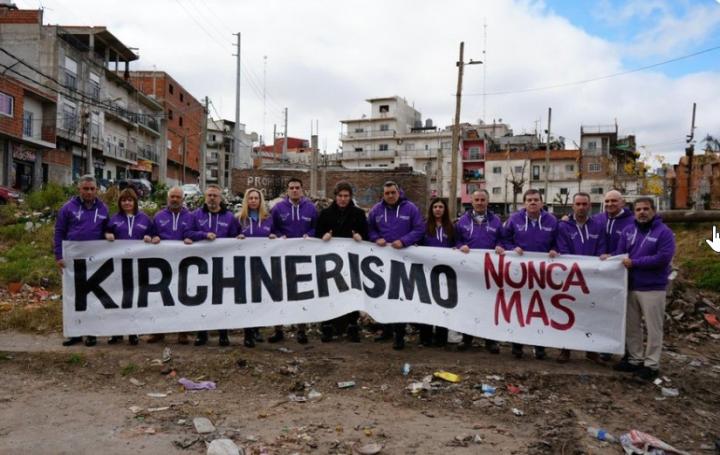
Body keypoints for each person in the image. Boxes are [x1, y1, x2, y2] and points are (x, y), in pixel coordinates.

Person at [613, 197, 675, 381]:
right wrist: (609, 258)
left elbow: (663, 258)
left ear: (653, 211)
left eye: (646, 209)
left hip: (652, 287)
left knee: (653, 328)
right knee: (632, 326)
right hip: (630, 285)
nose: (642, 212)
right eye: (638, 209)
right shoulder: (628, 230)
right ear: (634, 212)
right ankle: (635, 358)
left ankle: (651, 364)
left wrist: (635, 263)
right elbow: (620, 254)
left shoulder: (664, 232)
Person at [501, 189, 558, 360]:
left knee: (540, 310)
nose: (533, 202)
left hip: (543, 273)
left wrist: (555, 249)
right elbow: (504, 239)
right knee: (519, 308)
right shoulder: (514, 219)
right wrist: (512, 248)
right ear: (524, 203)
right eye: (529, 200)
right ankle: (517, 345)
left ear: (542, 202)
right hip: (519, 272)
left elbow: (558, 241)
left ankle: (539, 346)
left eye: (536, 199)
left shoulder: (552, 220)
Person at [367, 181, 425, 350]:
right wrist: (376, 238)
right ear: (383, 194)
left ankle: (399, 335)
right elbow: (369, 229)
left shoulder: (410, 208)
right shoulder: (376, 210)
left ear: (399, 192)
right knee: (384, 295)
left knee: (399, 296)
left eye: (393, 192)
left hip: (404, 259)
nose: (390, 195)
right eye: (387, 193)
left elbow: (419, 229)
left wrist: (404, 241)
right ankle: (386, 330)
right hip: (383, 260)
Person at [54, 175, 109, 347]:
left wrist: (109, 234)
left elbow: (107, 229)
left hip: (95, 260)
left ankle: (91, 333)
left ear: (96, 190)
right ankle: (75, 333)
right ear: (79, 189)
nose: (89, 192)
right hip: (73, 260)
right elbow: (59, 232)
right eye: (86, 188)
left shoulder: (103, 208)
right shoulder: (68, 208)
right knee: (73, 297)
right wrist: (59, 256)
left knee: (93, 297)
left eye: (92, 189)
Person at [555, 192, 607, 363]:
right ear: (573, 206)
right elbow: (562, 249)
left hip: (591, 277)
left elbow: (601, 248)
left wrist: (595, 265)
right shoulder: (563, 226)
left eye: (584, 204)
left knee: (590, 313)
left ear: (590, 206)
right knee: (567, 312)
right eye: (578, 204)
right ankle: (565, 349)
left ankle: (591, 349)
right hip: (570, 277)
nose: (581, 207)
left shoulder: (598, 226)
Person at [186, 184, 240, 346]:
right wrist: (203, 235)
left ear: (220, 198)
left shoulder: (229, 217)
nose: (212, 198)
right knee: (202, 299)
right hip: (201, 265)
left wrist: (240, 239)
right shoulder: (195, 215)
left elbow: (236, 236)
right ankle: (202, 333)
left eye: (215, 196)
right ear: (205, 197)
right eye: (209, 195)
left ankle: (223, 333)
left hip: (222, 265)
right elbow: (187, 233)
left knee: (221, 299)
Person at [316, 181, 369, 343]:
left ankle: (352, 326)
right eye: (340, 196)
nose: (343, 199)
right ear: (335, 196)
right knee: (329, 292)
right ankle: (327, 325)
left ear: (350, 197)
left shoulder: (359, 214)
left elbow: (367, 235)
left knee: (352, 292)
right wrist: (323, 237)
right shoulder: (325, 214)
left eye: (346, 196)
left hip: (351, 261)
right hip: (330, 261)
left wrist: (360, 238)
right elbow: (316, 234)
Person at [268, 178, 318, 344]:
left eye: (297, 187)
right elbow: (272, 228)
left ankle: (301, 330)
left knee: (301, 293)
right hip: (282, 256)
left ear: (302, 190)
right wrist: (278, 236)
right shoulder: (278, 208)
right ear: (287, 191)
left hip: (304, 257)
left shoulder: (311, 208)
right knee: (279, 292)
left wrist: (309, 235)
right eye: (291, 188)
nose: (294, 190)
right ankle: (278, 329)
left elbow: (316, 227)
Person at [104, 188, 156, 346]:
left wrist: (150, 237)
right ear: (120, 202)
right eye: (124, 200)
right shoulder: (114, 219)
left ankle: (134, 331)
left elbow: (154, 234)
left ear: (135, 202)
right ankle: (117, 332)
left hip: (137, 265)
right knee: (117, 298)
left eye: (130, 200)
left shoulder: (144, 219)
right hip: (118, 266)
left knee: (134, 299)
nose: (127, 203)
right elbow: (104, 233)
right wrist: (106, 235)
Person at [455, 189, 504, 353]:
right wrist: (460, 246)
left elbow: (503, 239)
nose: (480, 203)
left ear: (488, 202)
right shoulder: (462, 221)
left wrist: (500, 246)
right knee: (468, 305)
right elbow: (456, 240)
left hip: (489, 271)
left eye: (483, 200)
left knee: (489, 305)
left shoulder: (496, 221)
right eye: (477, 200)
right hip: (468, 271)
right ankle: (466, 338)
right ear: (472, 202)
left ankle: (490, 340)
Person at [146, 186, 195, 345]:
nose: (175, 199)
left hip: (183, 264)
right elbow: (151, 232)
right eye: (172, 196)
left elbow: (195, 233)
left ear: (183, 199)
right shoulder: (159, 216)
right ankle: (158, 332)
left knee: (183, 297)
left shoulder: (190, 217)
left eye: (178, 197)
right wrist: (153, 237)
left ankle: (183, 332)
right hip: (163, 264)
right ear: (168, 198)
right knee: (160, 298)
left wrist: (192, 238)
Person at [236, 188, 276, 348]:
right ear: (246, 200)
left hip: (263, 265)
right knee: (247, 298)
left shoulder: (268, 219)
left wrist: (273, 237)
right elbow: (229, 238)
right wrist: (236, 238)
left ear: (260, 201)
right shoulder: (239, 219)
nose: (253, 201)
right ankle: (248, 333)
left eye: (256, 198)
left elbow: (276, 234)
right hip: (244, 265)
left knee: (260, 298)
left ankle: (257, 329)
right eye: (250, 198)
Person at [418, 198, 454, 348]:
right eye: (435, 207)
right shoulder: (423, 226)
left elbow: (457, 243)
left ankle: (441, 337)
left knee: (443, 304)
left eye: (441, 207)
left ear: (445, 210)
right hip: (427, 271)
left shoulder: (451, 227)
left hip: (446, 272)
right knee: (427, 303)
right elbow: (417, 243)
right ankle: (425, 337)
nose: (438, 209)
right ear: (431, 209)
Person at [593, 189, 634, 258]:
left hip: (621, 262)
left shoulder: (633, 222)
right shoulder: (596, 219)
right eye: (607, 201)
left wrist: (612, 256)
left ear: (623, 203)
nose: (610, 204)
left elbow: (633, 247)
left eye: (614, 201)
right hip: (598, 262)